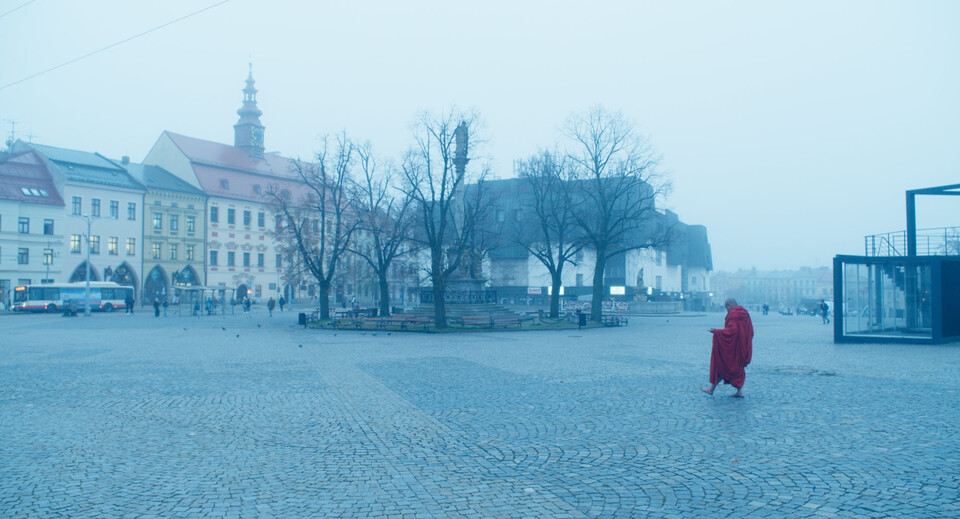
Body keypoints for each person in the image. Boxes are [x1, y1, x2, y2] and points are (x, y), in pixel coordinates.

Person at [701, 298, 753, 398]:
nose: (727, 311)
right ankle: (739, 391)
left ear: (729, 305)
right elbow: (749, 330)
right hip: (742, 345)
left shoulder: (734, 314)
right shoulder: (744, 313)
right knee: (738, 367)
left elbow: (732, 331)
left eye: (726, 308)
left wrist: (716, 332)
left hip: (733, 346)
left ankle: (711, 389)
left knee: (722, 365)